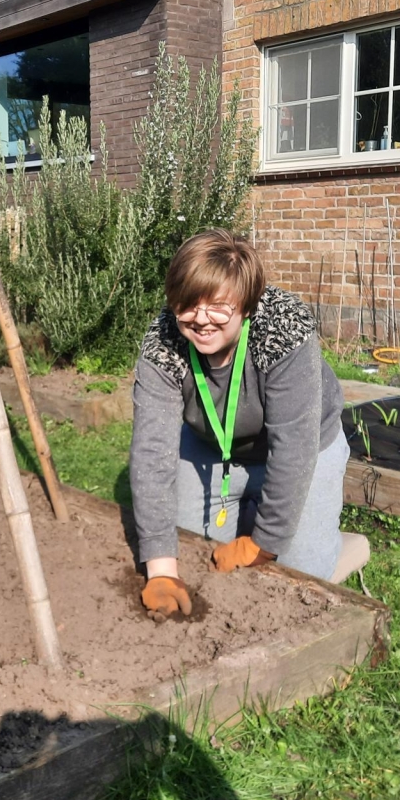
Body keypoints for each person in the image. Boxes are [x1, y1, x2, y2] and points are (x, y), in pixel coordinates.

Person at [129, 228, 370, 620]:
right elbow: (152, 453)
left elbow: (294, 445)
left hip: (307, 447)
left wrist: (267, 542)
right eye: (188, 306)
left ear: (245, 304)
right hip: (212, 448)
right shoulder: (163, 342)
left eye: (218, 306)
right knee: (192, 556)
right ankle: (249, 513)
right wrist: (160, 569)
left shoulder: (283, 329)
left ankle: (341, 545)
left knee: (297, 573)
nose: (201, 320)